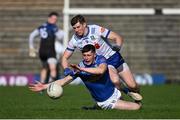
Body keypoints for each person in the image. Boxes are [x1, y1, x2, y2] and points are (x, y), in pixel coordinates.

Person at [29, 44, 141, 110]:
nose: (86, 57)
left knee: (114, 78)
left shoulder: (100, 59)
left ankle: (125, 91)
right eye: (84, 55)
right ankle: (99, 106)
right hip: (106, 101)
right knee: (137, 107)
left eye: (89, 55)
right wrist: (43, 86)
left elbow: (101, 70)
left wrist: (81, 69)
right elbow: (63, 81)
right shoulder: (79, 68)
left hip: (114, 91)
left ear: (94, 54)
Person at [61, 14, 142, 101]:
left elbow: (117, 37)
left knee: (132, 85)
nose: (76, 30)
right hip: (103, 63)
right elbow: (64, 57)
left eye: (78, 27)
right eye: (74, 28)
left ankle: (135, 96)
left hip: (115, 57)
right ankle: (121, 102)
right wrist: (66, 68)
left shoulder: (96, 29)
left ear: (84, 24)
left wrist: (118, 46)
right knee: (115, 81)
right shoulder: (74, 40)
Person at [28, 12, 64, 84]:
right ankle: (50, 85)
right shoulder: (54, 28)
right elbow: (60, 36)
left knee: (44, 68)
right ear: (49, 18)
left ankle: (41, 85)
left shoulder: (41, 27)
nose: (54, 20)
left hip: (42, 51)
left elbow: (31, 35)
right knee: (53, 68)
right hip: (50, 50)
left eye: (55, 19)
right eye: (53, 19)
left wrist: (31, 47)